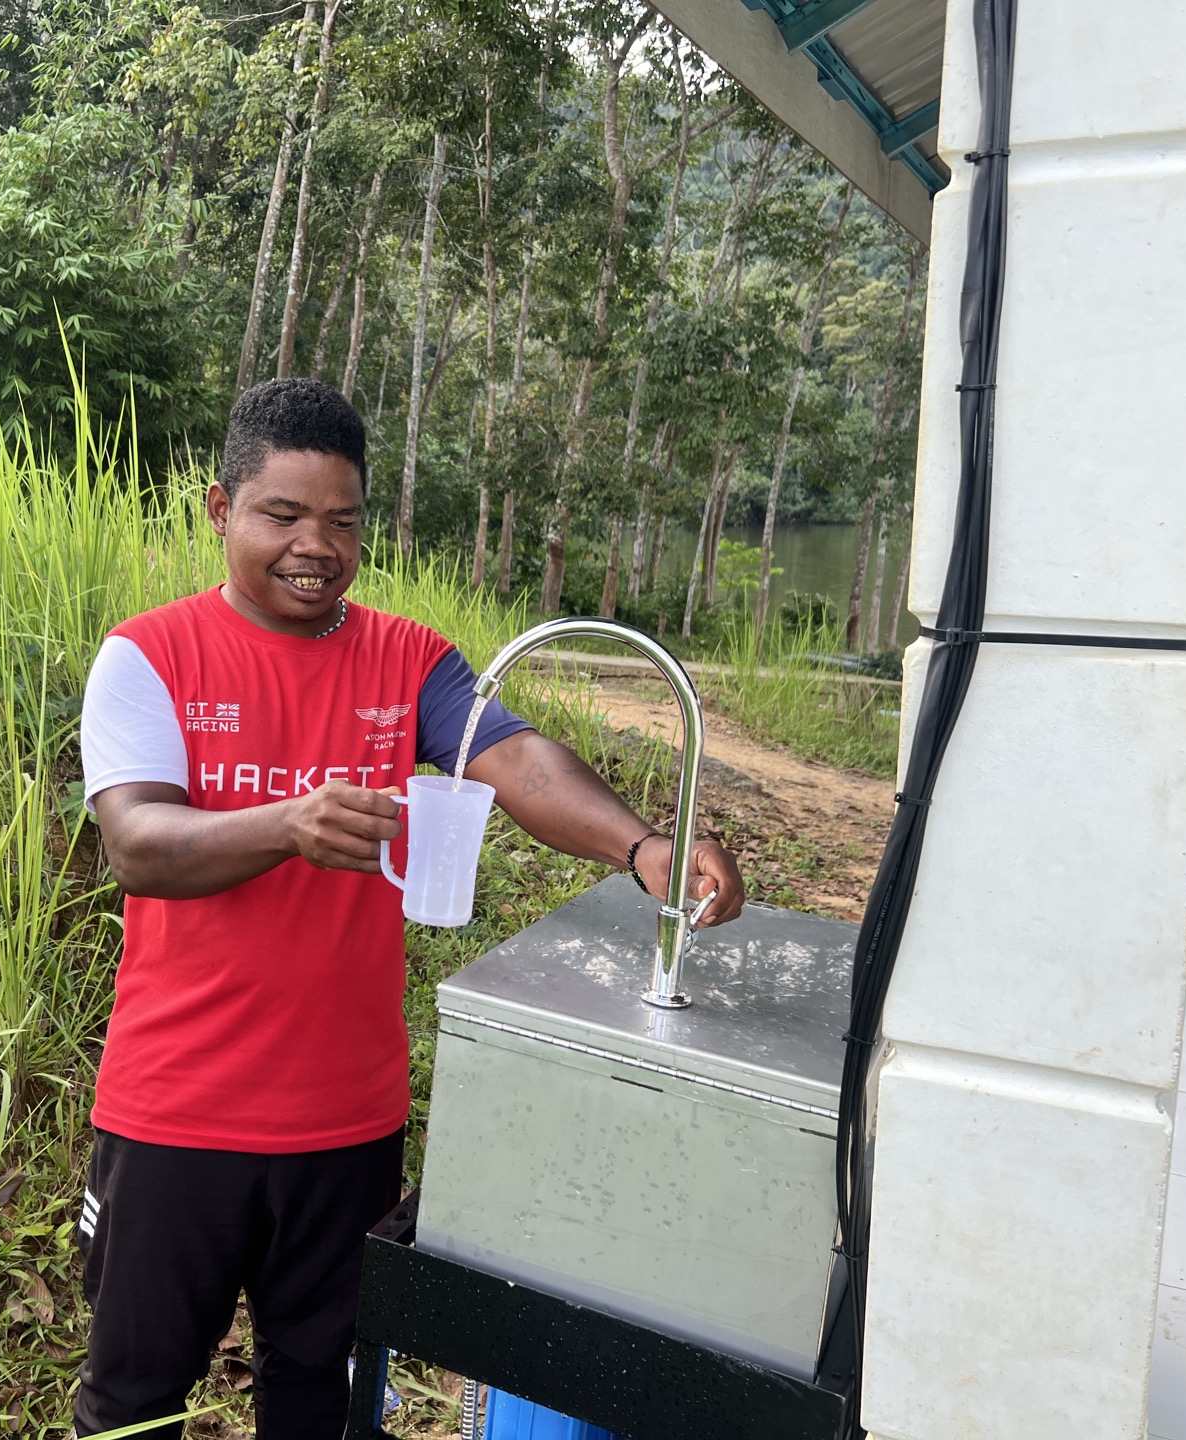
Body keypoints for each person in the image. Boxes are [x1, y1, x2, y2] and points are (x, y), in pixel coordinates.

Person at [73, 378, 745, 1439]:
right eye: (282, 515)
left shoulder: (405, 659)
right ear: (219, 509)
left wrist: (641, 843)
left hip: (347, 1120)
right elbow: (138, 845)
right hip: (176, 1113)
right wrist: (286, 826)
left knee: (323, 1395)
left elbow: (514, 755)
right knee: (134, 1402)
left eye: (341, 521)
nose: (314, 546)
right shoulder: (150, 655)